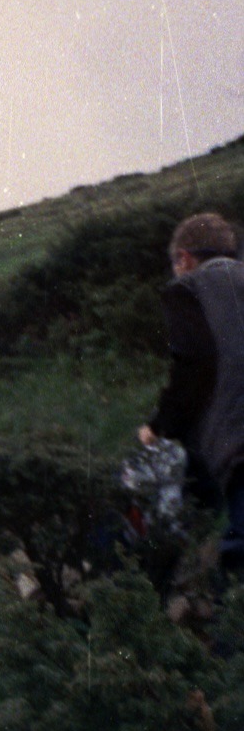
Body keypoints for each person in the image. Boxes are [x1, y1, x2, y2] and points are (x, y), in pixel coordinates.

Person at [139, 212, 244, 576]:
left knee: (238, 557)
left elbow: (194, 367)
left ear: (183, 258)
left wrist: (158, 425)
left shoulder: (188, 289)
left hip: (235, 438)